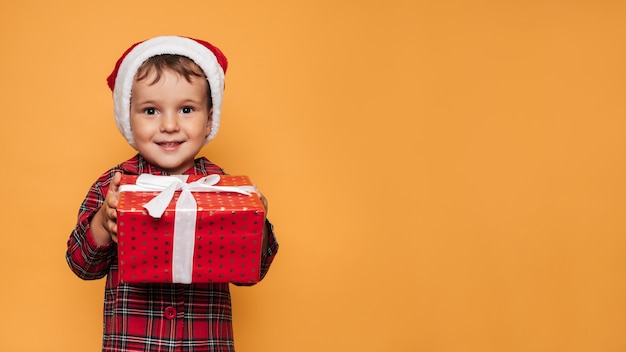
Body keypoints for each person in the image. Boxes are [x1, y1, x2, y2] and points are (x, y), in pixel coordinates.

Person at [66, 35, 279, 352]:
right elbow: (81, 265)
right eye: (151, 111)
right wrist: (103, 224)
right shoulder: (115, 185)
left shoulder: (223, 186)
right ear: (129, 119)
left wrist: (255, 224)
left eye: (186, 109)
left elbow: (250, 274)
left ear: (209, 121)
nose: (169, 125)